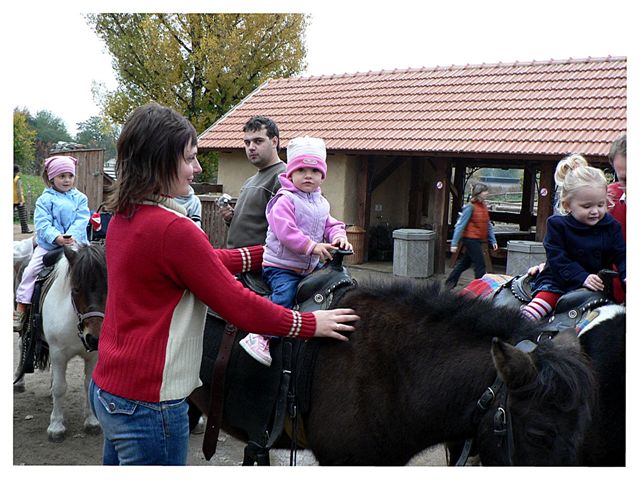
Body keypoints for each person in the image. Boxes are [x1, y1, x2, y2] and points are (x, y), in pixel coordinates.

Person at [88, 103, 359, 466]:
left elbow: (201, 261)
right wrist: (309, 324)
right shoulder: (173, 228)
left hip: (109, 389)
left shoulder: (124, 216)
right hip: (150, 405)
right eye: (189, 158)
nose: (197, 169)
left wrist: (269, 254)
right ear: (158, 162)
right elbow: (238, 304)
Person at [240, 136, 352, 366]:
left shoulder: (321, 202)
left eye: (314, 170)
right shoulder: (285, 199)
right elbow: (285, 231)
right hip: (281, 266)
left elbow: (331, 224)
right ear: (290, 174)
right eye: (301, 169)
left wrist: (339, 238)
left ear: (322, 175)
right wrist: (312, 247)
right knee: (286, 295)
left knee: (336, 284)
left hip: (308, 266)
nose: (308, 175)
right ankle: (261, 335)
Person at [520, 160, 626, 323]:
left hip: (598, 285)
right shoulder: (557, 225)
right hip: (559, 280)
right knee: (537, 309)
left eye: (601, 204)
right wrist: (581, 276)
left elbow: (622, 255)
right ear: (567, 205)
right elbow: (557, 258)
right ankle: (519, 329)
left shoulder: (611, 226)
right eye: (587, 206)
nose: (595, 211)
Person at [13, 156, 90, 332]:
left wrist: (69, 238)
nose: (67, 180)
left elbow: (81, 219)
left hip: (75, 244)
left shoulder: (80, 198)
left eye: (70, 175)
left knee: (92, 269)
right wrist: (57, 238)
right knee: (31, 270)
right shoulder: (44, 200)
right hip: (49, 245)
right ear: (51, 177)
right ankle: (21, 307)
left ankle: (96, 308)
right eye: (62, 176)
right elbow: (42, 223)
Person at [221, 115, 286, 248]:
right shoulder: (249, 182)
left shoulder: (283, 177)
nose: (251, 147)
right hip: (239, 261)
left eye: (258, 141)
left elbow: (285, 228)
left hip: (262, 264)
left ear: (274, 142)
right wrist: (231, 219)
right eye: (247, 142)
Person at [445, 183, 498, 289]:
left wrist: (493, 240)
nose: (487, 193)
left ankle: (450, 283)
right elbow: (460, 225)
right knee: (480, 265)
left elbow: (488, 224)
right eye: (485, 191)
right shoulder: (470, 207)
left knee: (465, 263)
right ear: (479, 193)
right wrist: (454, 243)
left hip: (478, 239)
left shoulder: (483, 206)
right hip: (470, 239)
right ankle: (480, 289)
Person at [14, 165, 33, 234]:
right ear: (17, 171)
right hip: (18, 200)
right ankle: (25, 229)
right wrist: (21, 200)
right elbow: (19, 190)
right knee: (22, 216)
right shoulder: (17, 179)